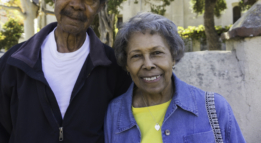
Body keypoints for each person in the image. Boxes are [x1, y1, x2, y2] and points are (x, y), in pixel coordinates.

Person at [0, 0, 131, 143]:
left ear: (99, 7)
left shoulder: (114, 67)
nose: (77, 4)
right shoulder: (14, 62)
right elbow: (0, 132)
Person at [104, 12, 246, 143]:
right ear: (127, 65)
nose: (148, 64)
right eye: (136, 56)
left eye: (157, 53)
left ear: (173, 57)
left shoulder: (214, 108)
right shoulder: (114, 114)